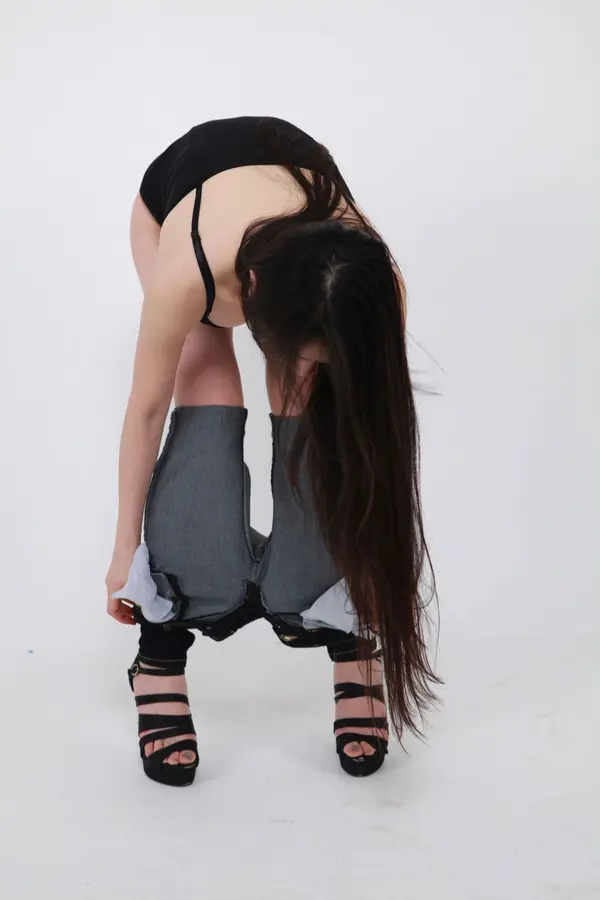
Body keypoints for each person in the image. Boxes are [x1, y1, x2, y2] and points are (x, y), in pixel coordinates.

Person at [106, 116, 438, 788]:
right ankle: (160, 652)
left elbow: (377, 440)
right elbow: (144, 412)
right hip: (178, 212)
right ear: (254, 294)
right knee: (206, 380)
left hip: (285, 230)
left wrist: (372, 565)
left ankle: (350, 633)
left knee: (312, 417)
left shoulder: (368, 285)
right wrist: (124, 554)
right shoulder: (188, 274)